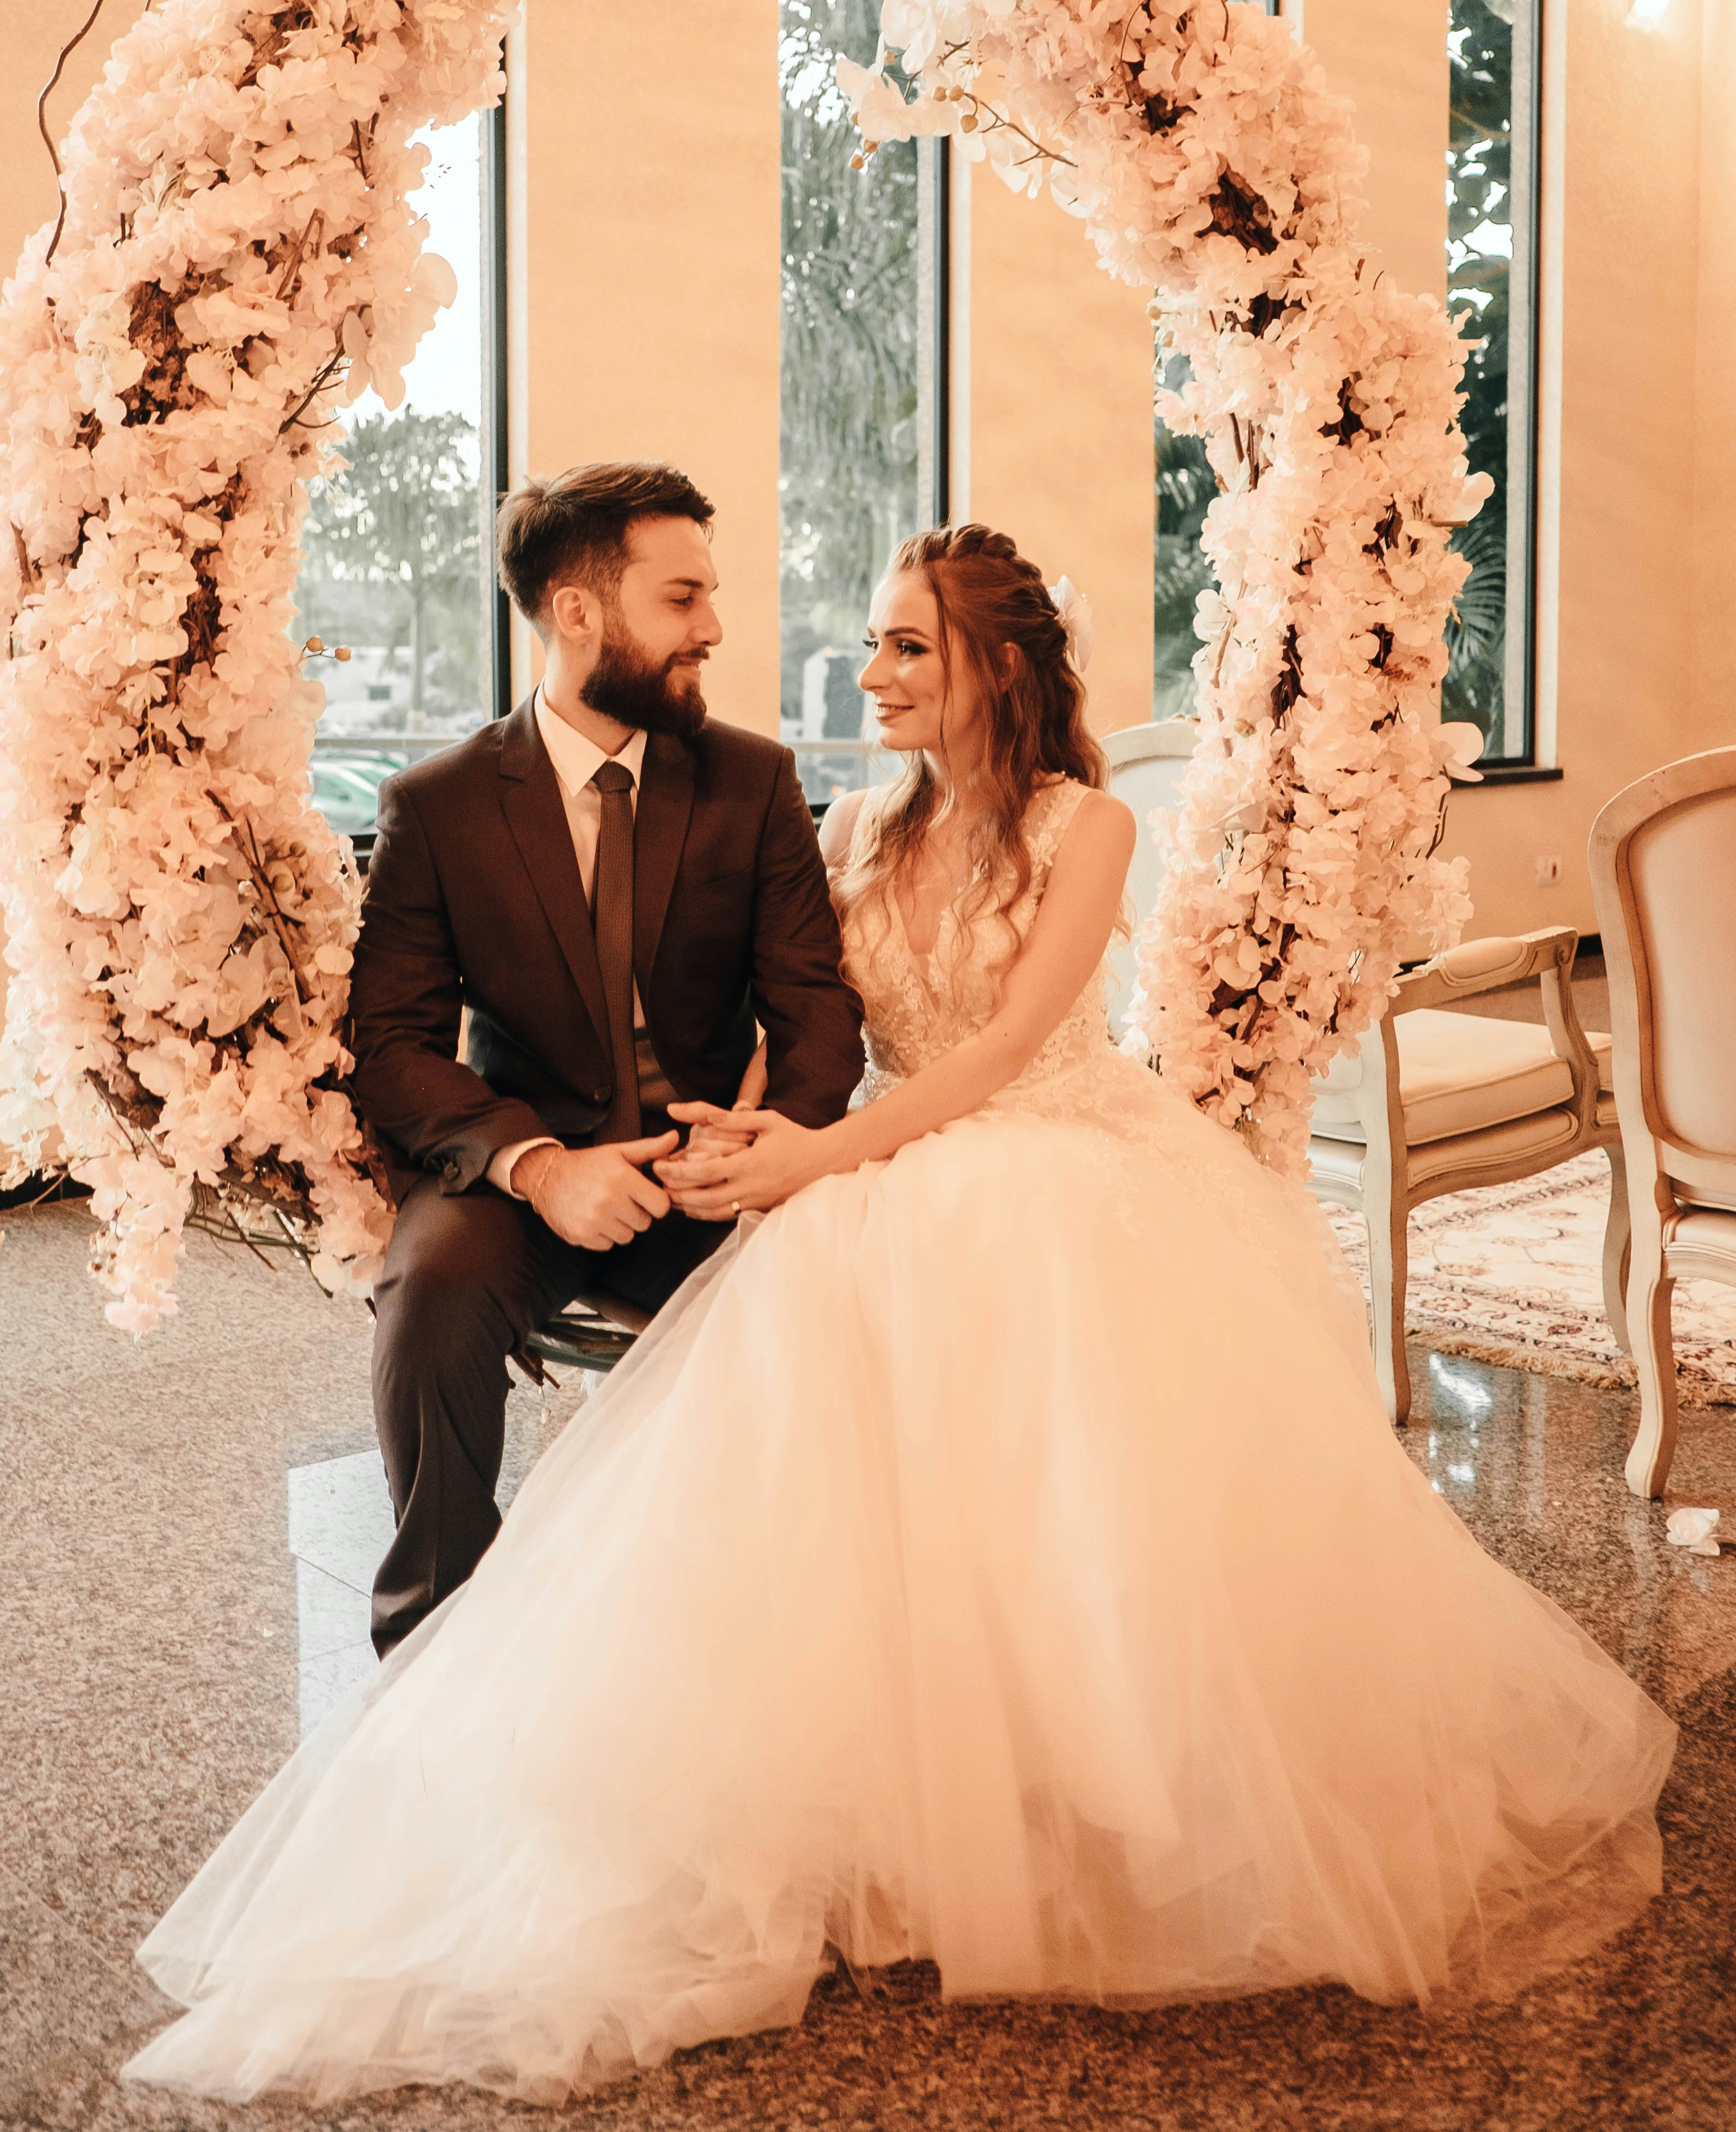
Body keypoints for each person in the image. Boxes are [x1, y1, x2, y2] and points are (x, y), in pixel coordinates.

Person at [125, 523, 1674, 2109]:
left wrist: (817, 1153)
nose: (864, 674)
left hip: (1049, 1156)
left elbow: (1002, 1055)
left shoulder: (1085, 833)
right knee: (806, 1362)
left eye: (905, 647)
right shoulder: (856, 822)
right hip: (857, 1148)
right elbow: (807, 1015)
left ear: (997, 666)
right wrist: (741, 1129)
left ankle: (1088, 1777)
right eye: (870, 644)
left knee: (1009, 1338)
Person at [347, 459, 865, 1655]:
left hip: (717, 1168)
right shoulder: (440, 806)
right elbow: (393, 1047)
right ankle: (428, 1645)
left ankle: (782, 1640)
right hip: (527, 1174)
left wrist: (758, 1142)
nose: (715, 628)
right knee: (430, 1290)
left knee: (834, 1302)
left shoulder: (756, 780)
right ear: (579, 612)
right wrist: (533, 1166)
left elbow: (816, 1010)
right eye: (682, 599)